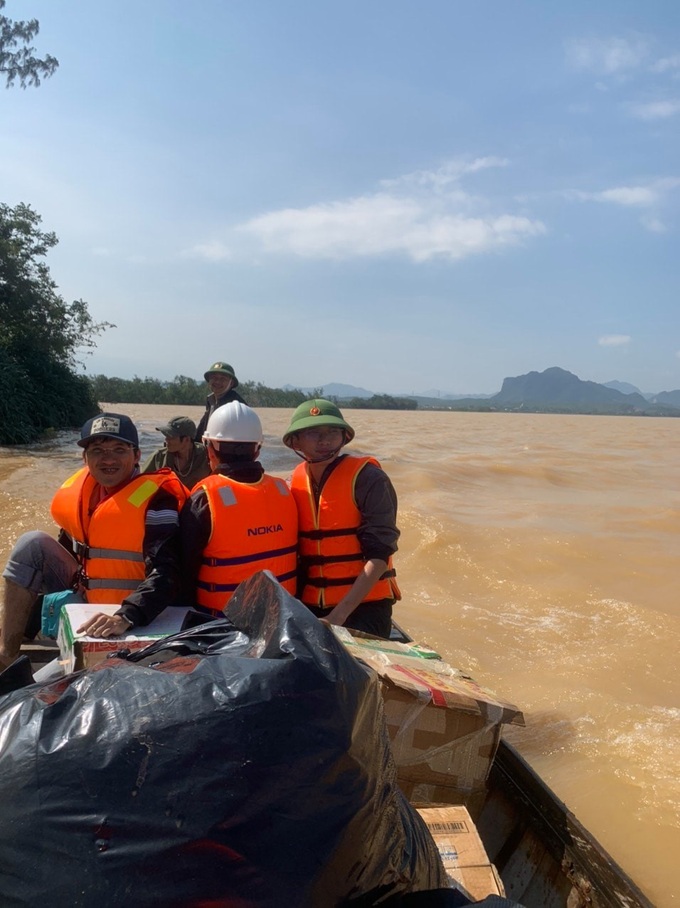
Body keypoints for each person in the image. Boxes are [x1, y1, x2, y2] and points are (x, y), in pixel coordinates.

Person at [0, 413, 188, 670]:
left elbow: (168, 573)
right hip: (88, 602)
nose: (108, 459)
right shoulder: (85, 493)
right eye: (97, 450)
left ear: (137, 455)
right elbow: (71, 552)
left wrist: (126, 616)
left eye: (119, 449)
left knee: (44, 688)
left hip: (137, 613)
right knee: (32, 544)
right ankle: (6, 655)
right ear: (84, 458)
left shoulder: (158, 501)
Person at [283, 399, 400, 639]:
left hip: (364, 608)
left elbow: (379, 555)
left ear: (344, 438)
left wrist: (337, 617)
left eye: (333, 433)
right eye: (313, 433)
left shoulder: (370, 479)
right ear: (295, 441)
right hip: (311, 604)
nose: (324, 441)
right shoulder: (291, 484)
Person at [180, 401, 298, 616]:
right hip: (282, 619)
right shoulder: (286, 490)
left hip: (222, 625)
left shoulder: (204, 497)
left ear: (210, 449)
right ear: (257, 450)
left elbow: (183, 568)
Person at [141, 415, 210, 490]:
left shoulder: (206, 456)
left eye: (171, 437)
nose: (166, 440)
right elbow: (142, 485)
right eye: (166, 435)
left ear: (186, 440)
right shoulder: (158, 458)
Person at [195, 361, 247, 442]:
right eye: (214, 378)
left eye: (223, 378)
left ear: (231, 383)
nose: (218, 382)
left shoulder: (237, 406)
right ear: (209, 380)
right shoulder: (211, 400)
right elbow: (201, 430)